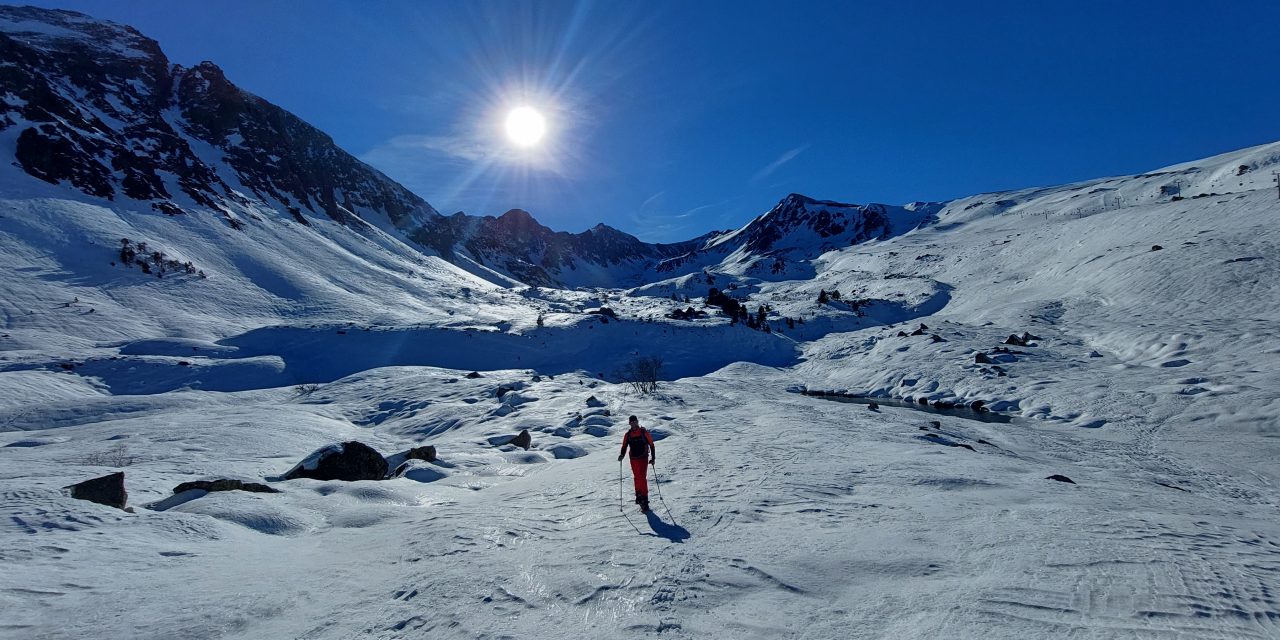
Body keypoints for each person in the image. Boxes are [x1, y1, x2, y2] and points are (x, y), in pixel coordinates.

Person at [618, 415, 656, 512]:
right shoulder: (628, 435)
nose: (633, 423)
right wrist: (622, 455)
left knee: (642, 477)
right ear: (629, 423)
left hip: (643, 458)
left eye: (635, 421)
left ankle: (645, 498)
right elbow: (624, 446)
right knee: (636, 477)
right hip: (633, 459)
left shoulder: (643, 432)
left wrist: (653, 458)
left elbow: (651, 444)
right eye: (632, 422)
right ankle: (638, 495)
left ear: (637, 422)